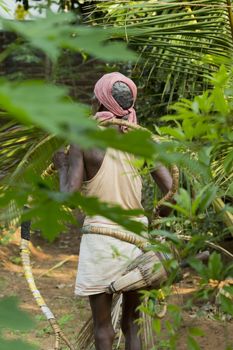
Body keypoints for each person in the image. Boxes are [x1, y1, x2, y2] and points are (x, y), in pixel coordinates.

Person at [53, 72, 173, 350]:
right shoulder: (141, 140)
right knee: (132, 324)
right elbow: (171, 189)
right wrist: (154, 222)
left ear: (101, 101)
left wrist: (61, 166)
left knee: (102, 327)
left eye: (95, 96)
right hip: (137, 237)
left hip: (101, 239)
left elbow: (68, 196)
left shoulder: (82, 139)